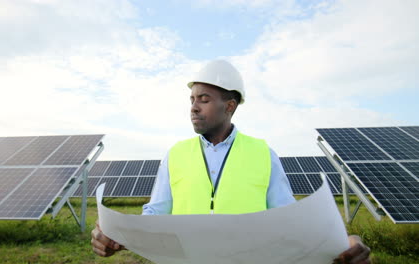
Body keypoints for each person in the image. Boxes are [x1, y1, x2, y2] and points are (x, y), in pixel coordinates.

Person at [91, 60, 371, 263]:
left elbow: (290, 225)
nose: (193, 107)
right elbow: (154, 216)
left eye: (204, 99)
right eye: (191, 99)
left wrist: (342, 244)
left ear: (229, 106)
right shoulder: (175, 154)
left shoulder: (263, 154)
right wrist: (118, 235)